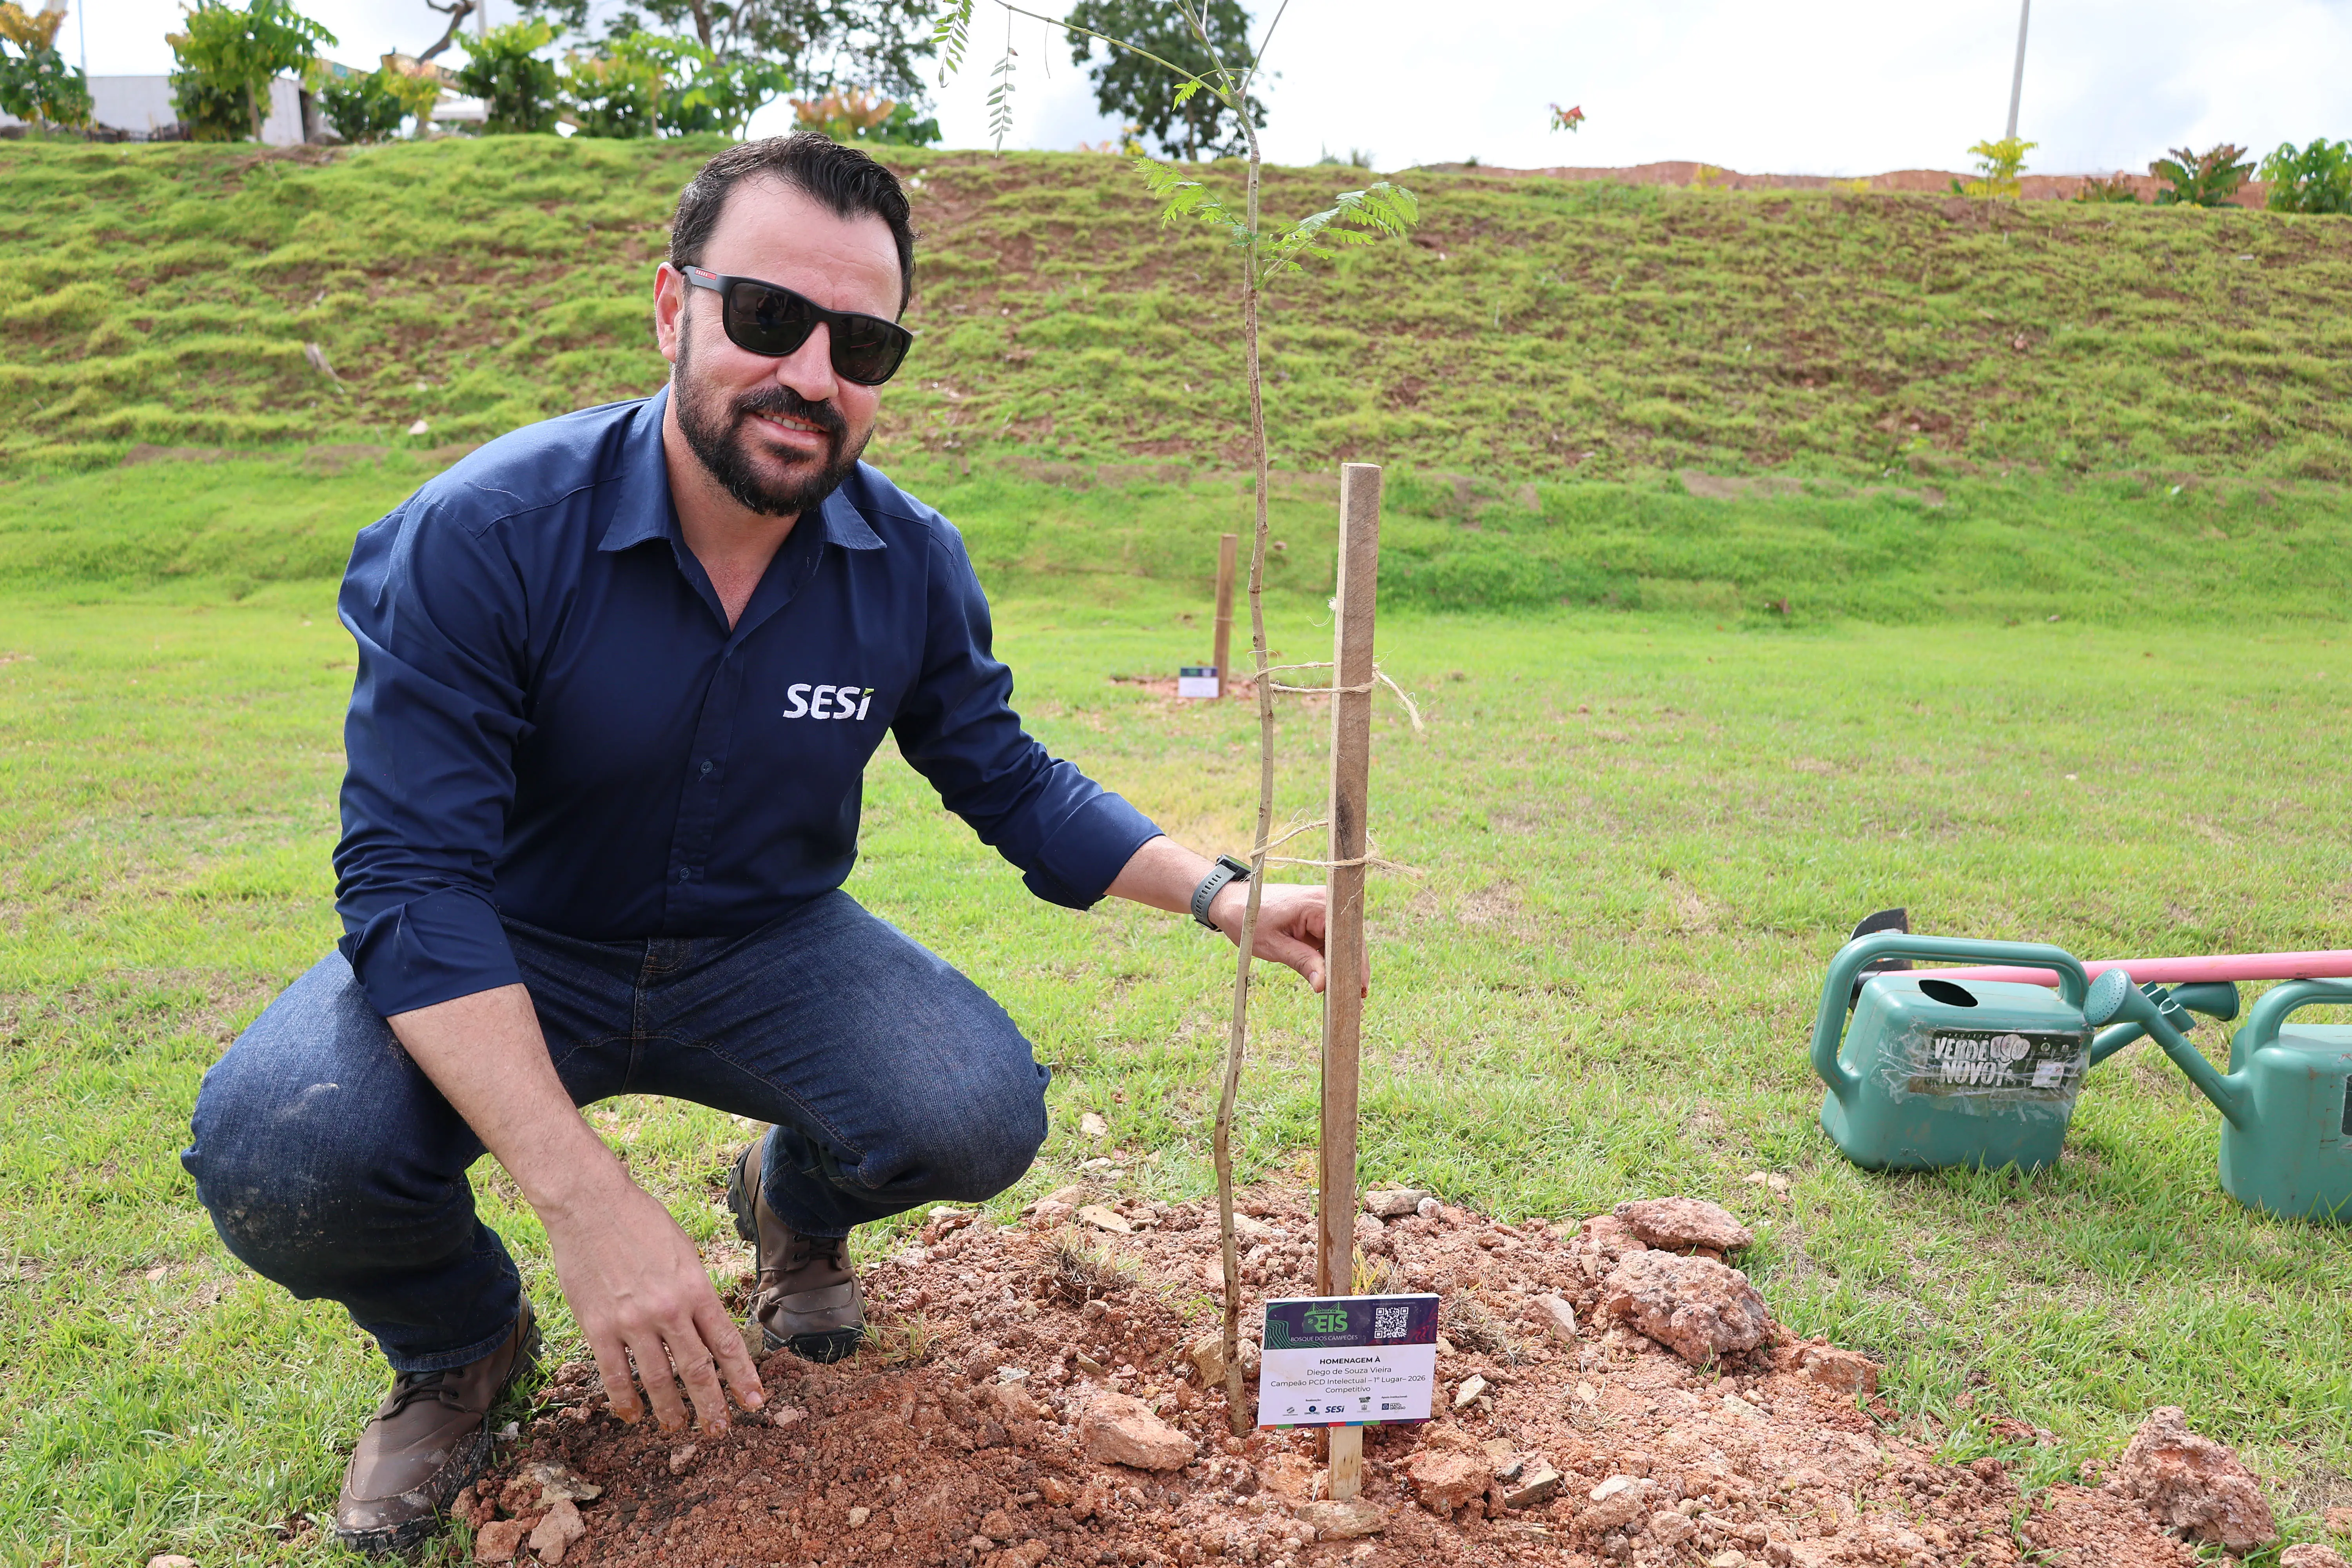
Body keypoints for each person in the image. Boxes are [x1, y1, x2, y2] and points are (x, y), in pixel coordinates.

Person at [180, 133, 1343, 1554]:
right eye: (769, 317)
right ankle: (462, 1346)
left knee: (973, 1112)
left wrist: (1224, 894)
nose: (812, 374)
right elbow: (411, 884)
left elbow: (1007, 776)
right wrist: (587, 1205)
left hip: (763, 950)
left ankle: (788, 1206)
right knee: (276, 1147)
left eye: (862, 342)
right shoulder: (484, 534)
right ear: (675, 308)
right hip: (511, 945)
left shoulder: (908, 560)